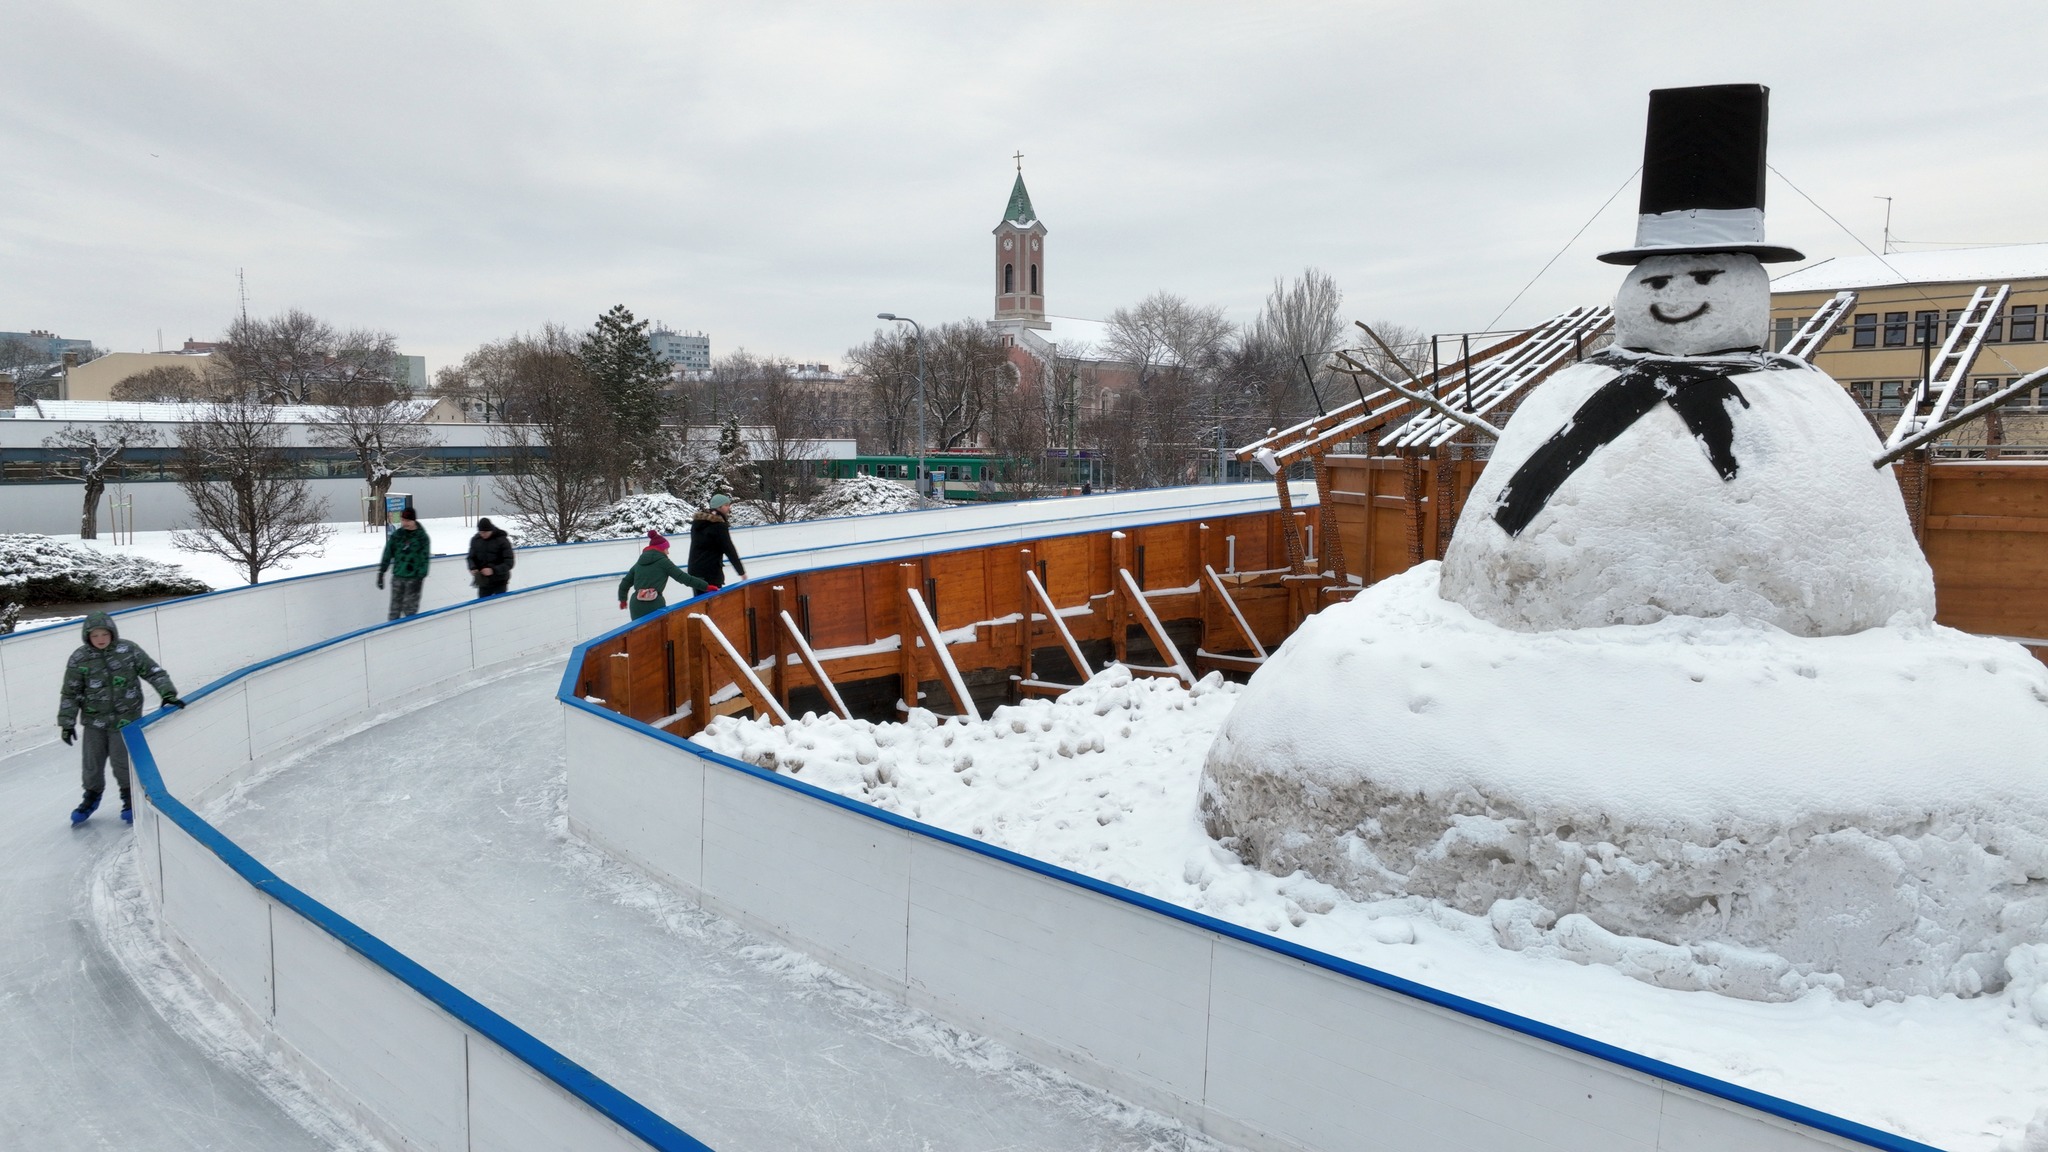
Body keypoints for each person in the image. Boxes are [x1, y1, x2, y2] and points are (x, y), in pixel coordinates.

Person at [57, 611, 181, 825]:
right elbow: (71, 692)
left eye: (104, 634)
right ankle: (91, 797)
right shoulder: (79, 658)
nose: (101, 639)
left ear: (112, 633)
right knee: (92, 763)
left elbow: (153, 672)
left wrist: (168, 694)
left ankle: (129, 798)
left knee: (122, 761)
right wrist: (67, 723)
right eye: (95, 636)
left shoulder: (128, 650)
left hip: (126, 720)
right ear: (87, 637)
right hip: (94, 721)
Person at [618, 530, 708, 619]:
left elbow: (625, 583)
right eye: (667, 549)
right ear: (661, 549)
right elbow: (683, 578)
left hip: (636, 604)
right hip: (654, 603)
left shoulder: (639, 564)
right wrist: (706, 586)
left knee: (638, 632)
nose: (668, 552)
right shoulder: (664, 562)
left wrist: (623, 600)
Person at [376, 506, 432, 620]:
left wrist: (420, 577)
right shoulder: (397, 536)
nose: (404, 523)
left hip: (414, 580)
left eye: (407, 521)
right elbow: (387, 553)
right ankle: (392, 635)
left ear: (414, 520)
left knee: (409, 611)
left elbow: (424, 560)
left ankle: (410, 635)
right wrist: (381, 572)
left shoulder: (422, 537)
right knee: (394, 611)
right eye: (403, 520)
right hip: (398, 578)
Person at [687, 494, 747, 591]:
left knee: (699, 603)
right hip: (710, 573)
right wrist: (741, 572)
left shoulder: (697, 523)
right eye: (726, 505)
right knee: (713, 603)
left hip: (695, 571)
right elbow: (729, 549)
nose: (729, 508)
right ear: (719, 507)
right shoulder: (718, 525)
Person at [466, 517, 515, 598]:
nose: (483, 534)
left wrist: (493, 570)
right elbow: (470, 557)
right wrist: (473, 567)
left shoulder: (502, 541)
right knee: (483, 605)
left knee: (499, 605)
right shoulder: (476, 540)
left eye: (485, 532)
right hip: (483, 581)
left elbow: (509, 563)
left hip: (500, 581)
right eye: (481, 532)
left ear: (491, 530)